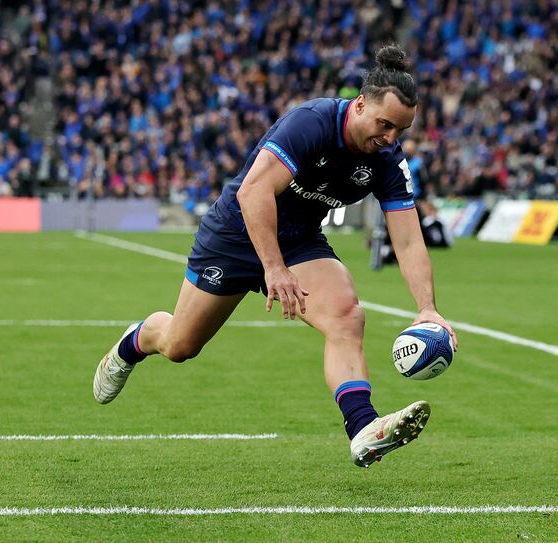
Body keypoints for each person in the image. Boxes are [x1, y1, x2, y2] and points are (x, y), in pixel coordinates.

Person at [92, 45, 459, 468]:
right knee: (180, 346)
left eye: (401, 130)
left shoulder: (388, 161)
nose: (391, 137)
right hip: (235, 233)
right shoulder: (312, 122)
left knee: (346, 316)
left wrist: (427, 309)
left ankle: (362, 427)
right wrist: (273, 269)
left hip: (298, 241)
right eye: (385, 124)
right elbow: (253, 191)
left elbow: (409, 240)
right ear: (360, 105)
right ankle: (133, 342)